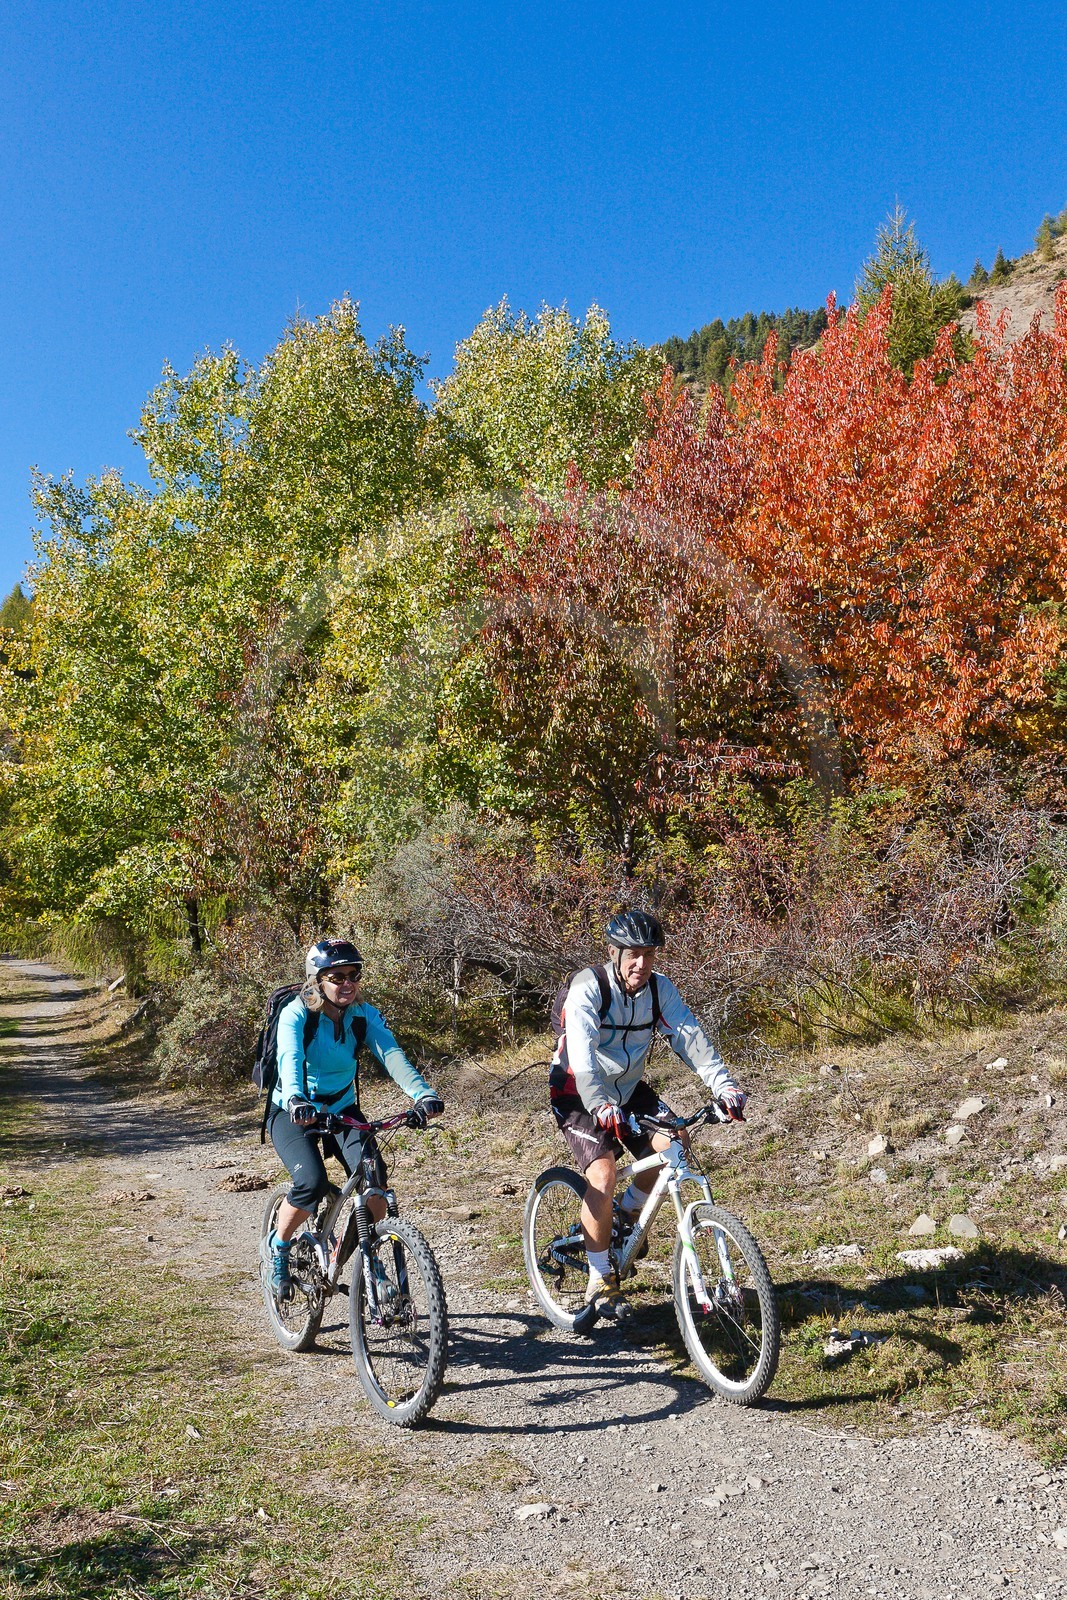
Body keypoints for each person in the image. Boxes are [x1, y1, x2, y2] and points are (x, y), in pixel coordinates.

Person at [549, 910, 746, 1318]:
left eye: (650, 955)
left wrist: (724, 1086)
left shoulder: (660, 990)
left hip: (627, 1088)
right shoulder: (589, 988)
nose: (642, 964)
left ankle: (621, 1217)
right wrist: (600, 1104)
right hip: (577, 1089)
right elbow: (582, 1055)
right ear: (615, 953)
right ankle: (600, 1278)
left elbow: (691, 1039)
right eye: (634, 954)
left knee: (674, 1145)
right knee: (602, 1173)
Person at [265, 938, 444, 1301]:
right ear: (317, 980)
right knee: (311, 1183)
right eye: (337, 976)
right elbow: (289, 1055)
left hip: (342, 1109)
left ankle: (356, 1253)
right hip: (293, 1109)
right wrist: (297, 1097)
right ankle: (279, 1248)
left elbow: (391, 1053)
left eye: (354, 974)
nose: (348, 983)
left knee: (375, 1184)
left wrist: (422, 1094)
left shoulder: (364, 1015)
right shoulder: (297, 1013)